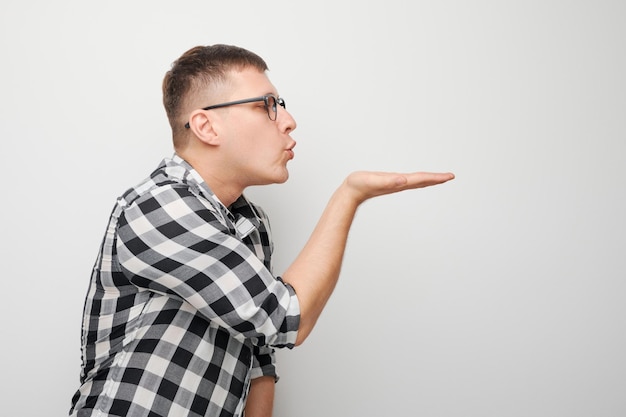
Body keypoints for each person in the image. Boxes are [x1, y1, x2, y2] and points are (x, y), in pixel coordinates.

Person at [69, 44, 454, 417]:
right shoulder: (159, 206)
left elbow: (258, 355)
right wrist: (349, 196)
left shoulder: (251, 223)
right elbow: (285, 317)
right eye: (265, 105)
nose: (288, 121)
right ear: (206, 126)